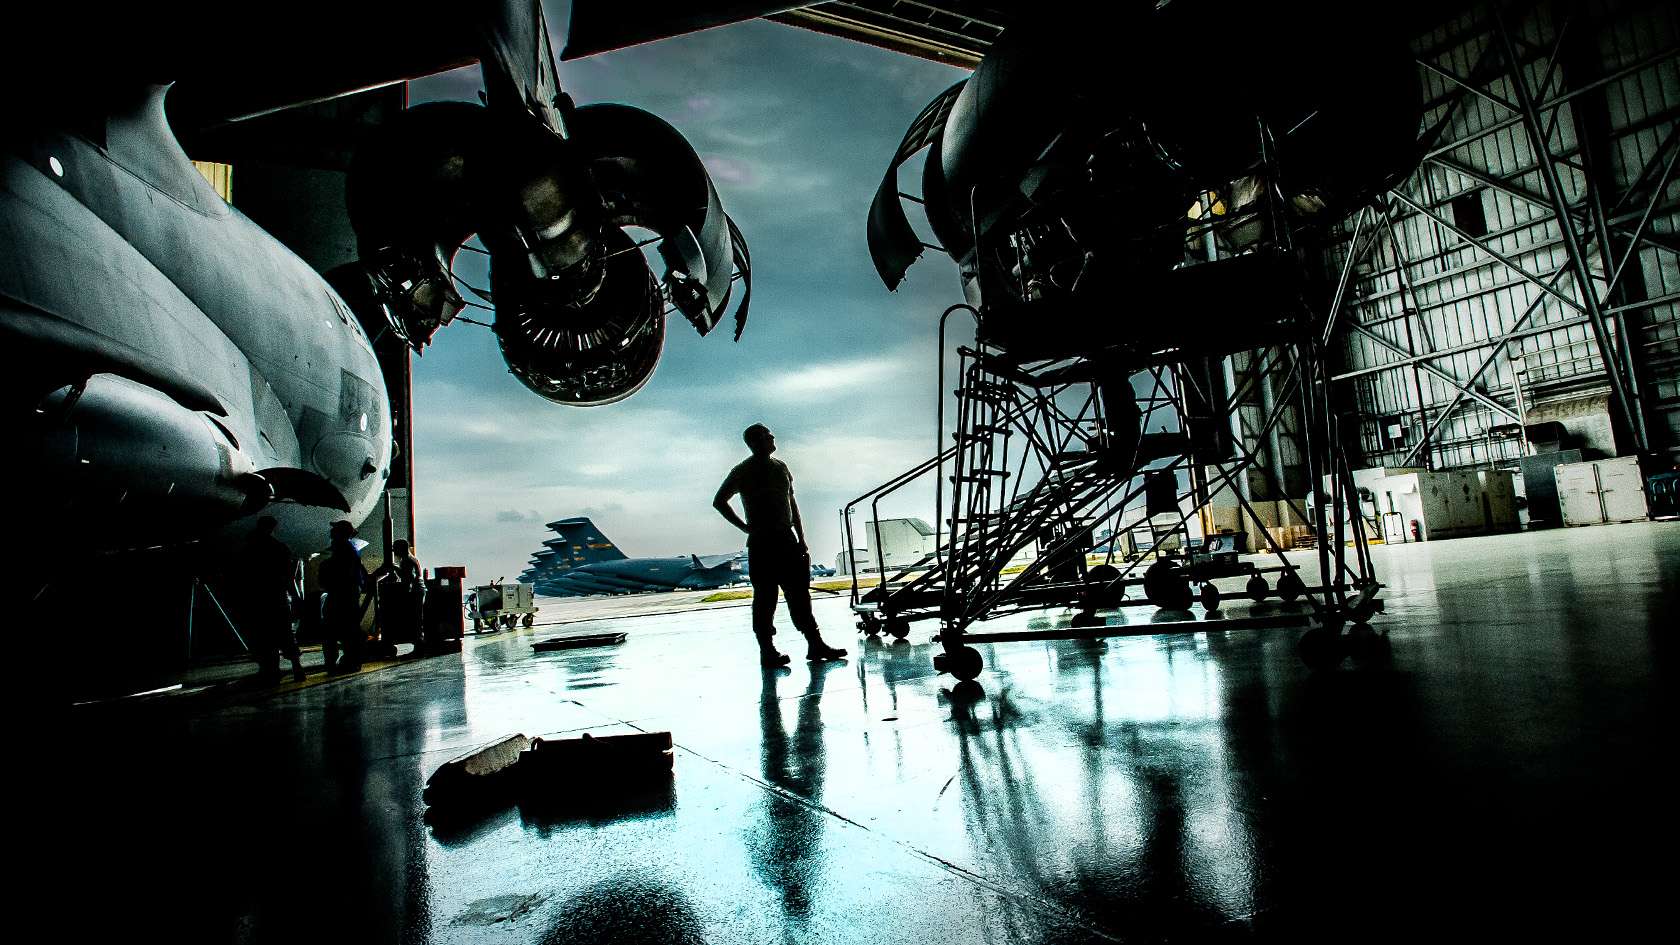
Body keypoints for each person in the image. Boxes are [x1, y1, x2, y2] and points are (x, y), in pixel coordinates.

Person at [714, 423, 846, 667]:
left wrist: (802, 538)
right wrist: (745, 527)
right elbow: (719, 501)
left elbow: (792, 504)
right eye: (766, 435)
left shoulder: (781, 467)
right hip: (762, 544)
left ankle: (815, 643)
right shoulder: (742, 471)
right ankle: (767, 650)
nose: (772, 437)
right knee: (765, 598)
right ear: (754, 443)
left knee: (800, 594)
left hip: (787, 541)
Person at [238, 516, 305, 683]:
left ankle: (270, 670)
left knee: (263, 636)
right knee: (285, 634)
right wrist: (296, 597)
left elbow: (244, 577)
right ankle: (297, 669)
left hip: (259, 599)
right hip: (278, 598)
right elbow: (289, 578)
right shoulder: (281, 549)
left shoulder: (250, 548)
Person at [321, 520, 369, 674]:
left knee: (333, 631)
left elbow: (340, 574)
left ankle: (341, 663)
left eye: (334, 530)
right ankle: (350, 661)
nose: (331, 532)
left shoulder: (343, 549)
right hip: (348, 595)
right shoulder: (352, 549)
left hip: (341, 596)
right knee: (347, 631)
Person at [375, 539, 425, 646]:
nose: (393, 551)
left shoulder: (406, 560)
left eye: (395, 548)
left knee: (415, 619)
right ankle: (418, 643)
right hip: (418, 591)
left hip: (415, 592)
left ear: (401, 548)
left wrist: (395, 568)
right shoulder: (410, 558)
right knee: (416, 619)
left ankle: (418, 644)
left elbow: (408, 577)